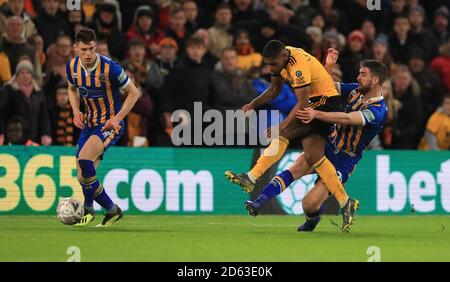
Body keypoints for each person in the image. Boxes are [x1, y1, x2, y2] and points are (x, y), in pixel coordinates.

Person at [225, 40, 358, 229]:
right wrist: (253, 104)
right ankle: (346, 203)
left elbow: (302, 105)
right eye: (267, 64)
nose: (270, 68)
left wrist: (281, 126)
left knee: (285, 133)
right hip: (317, 101)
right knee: (313, 155)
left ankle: (251, 177)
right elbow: (273, 90)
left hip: (326, 104)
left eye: (273, 64)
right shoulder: (280, 60)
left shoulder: (298, 67)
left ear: (283, 57)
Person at [246, 60, 388, 233]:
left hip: (344, 159)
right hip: (328, 144)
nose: (358, 77)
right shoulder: (354, 90)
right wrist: (328, 67)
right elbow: (324, 87)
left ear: (375, 80)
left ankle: (313, 219)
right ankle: (258, 202)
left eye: (363, 74)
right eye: (359, 73)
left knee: (309, 204)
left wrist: (316, 113)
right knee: (296, 168)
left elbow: (347, 119)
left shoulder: (378, 110)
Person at [66, 28, 140, 227]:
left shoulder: (110, 68)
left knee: (84, 159)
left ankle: (98, 209)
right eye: (83, 50)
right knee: (83, 176)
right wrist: (75, 111)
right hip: (89, 124)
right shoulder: (72, 67)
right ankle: (100, 210)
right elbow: (71, 89)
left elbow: (134, 93)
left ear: (96, 46)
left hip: (110, 125)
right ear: (75, 48)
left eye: (91, 49)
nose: (88, 54)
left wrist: (117, 118)